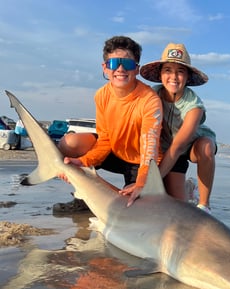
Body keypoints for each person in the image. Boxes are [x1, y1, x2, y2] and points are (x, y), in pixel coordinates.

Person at [53, 35, 163, 212]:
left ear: (136, 69)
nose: (120, 69)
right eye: (113, 64)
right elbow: (104, 139)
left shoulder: (149, 100)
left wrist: (142, 182)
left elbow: (150, 148)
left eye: (127, 64)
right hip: (114, 152)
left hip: (140, 161)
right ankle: (83, 198)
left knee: (136, 209)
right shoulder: (101, 95)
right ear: (105, 68)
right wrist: (82, 162)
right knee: (69, 142)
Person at [140, 43, 217, 214]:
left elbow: (178, 147)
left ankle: (205, 205)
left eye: (180, 71)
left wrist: (150, 184)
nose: (174, 77)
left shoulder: (194, 105)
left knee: (206, 146)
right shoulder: (152, 96)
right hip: (165, 150)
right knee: (173, 206)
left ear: (187, 76)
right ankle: (188, 188)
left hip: (190, 147)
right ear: (160, 74)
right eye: (168, 70)